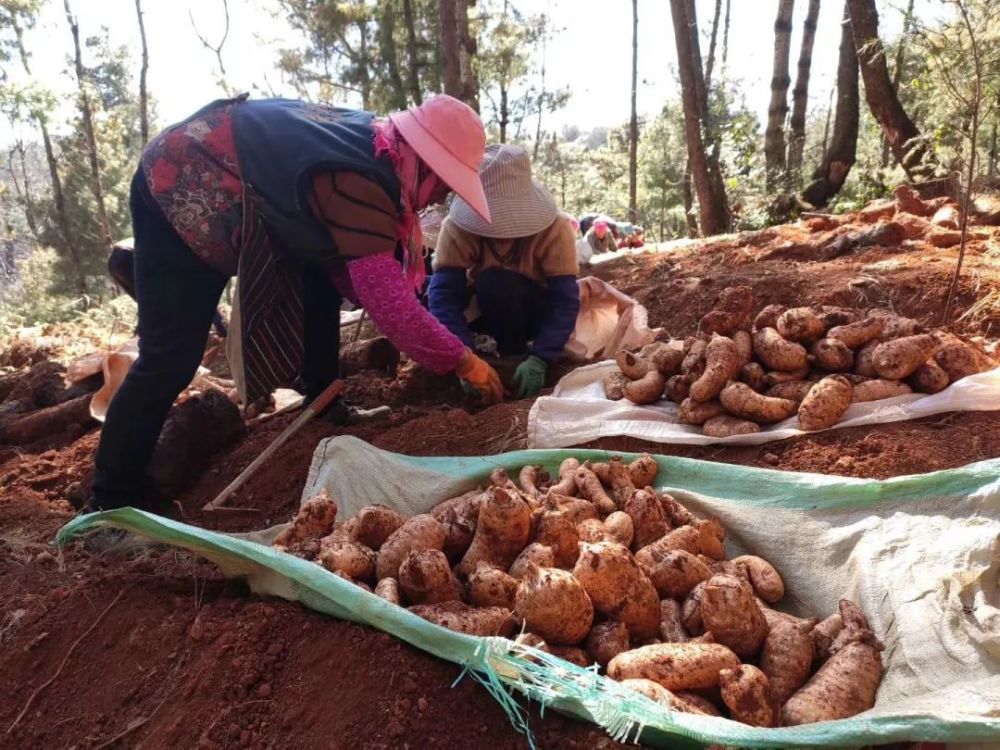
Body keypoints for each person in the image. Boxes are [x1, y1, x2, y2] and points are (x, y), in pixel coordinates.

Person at [88, 93, 503, 513]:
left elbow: (353, 271)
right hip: (179, 185)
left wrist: (421, 325)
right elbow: (387, 304)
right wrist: (463, 361)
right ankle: (110, 499)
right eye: (444, 186)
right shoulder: (363, 176)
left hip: (229, 185)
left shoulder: (378, 148)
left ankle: (325, 402)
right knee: (170, 356)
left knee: (319, 276)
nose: (437, 200)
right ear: (426, 163)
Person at [427, 144, 581, 399]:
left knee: (500, 283)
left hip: (535, 314)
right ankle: (488, 352)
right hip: (485, 314)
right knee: (435, 291)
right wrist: (462, 357)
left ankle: (519, 354)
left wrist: (542, 356)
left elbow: (564, 300)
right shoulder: (457, 228)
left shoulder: (555, 229)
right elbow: (444, 294)